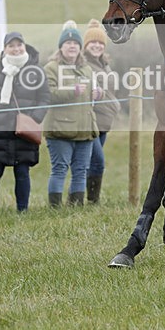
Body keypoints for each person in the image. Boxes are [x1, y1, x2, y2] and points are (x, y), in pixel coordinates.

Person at [0, 32, 50, 212]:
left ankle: (22, 211)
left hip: (25, 130)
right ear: (5, 49)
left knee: (22, 172)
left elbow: (45, 98)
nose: (16, 49)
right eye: (11, 46)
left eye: (19, 45)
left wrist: (34, 117)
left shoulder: (36, 70)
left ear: (24, 46)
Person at [43, 21, 100, 207]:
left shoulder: (87, 69)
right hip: (60, 128)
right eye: (68, 43)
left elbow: (94, 91)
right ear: (61, 47)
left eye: (75, 43)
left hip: (85, 128)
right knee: (59, 168)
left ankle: (76, 205)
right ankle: (55, 207)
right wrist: (72, 90)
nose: (72, 46)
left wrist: (99, 93)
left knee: (81, 170)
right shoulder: (50, 68)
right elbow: (48, 95)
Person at [82, 19, 121, 203]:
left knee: (92, 162)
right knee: (97, 162)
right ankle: (91, 200)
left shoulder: (105, 64)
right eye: (92, 42)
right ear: (85, 45)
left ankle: (87, 198)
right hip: (91, 121)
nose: (97, 46)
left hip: (105, 122)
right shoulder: (84, 65)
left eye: (100, 43)